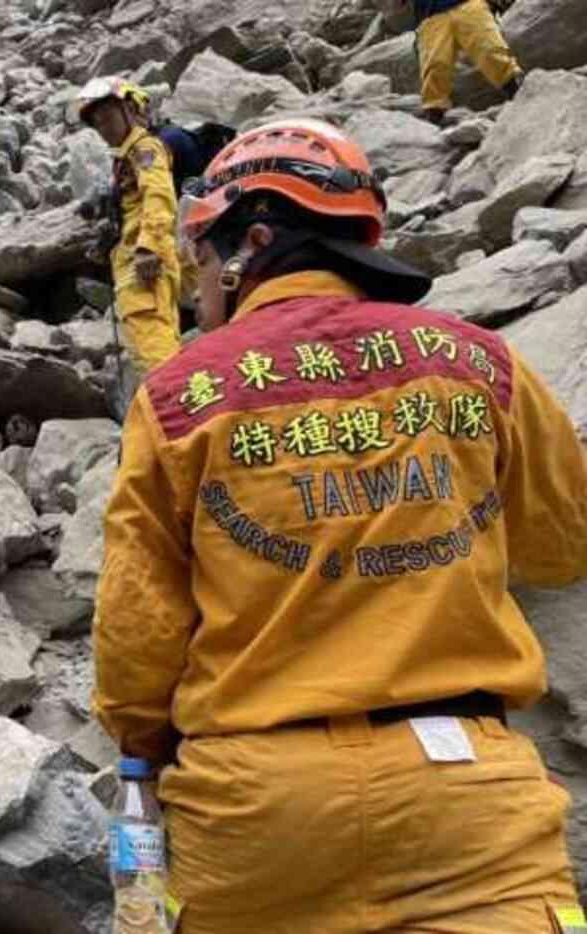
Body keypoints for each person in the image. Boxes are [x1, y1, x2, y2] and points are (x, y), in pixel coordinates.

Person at [93, 118, 587, 933]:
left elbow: (138, 632)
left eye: (206, 260)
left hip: (255, 804)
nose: (198, 287)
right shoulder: (476, 360)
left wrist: (139, 745)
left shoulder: (181, 397)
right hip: (466, 800)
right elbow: (559, 544)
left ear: (253, 240)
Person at [72, 77, 182, 378]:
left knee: (156, 353)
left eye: (107, 118)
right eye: (97, 123)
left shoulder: (145, 149)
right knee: (152, 344)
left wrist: (148, 247)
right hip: (133, 260)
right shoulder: (125, 159)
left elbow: (159, 196)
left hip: (144, 262)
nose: (103, 129)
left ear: (131, 109)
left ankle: (175, 413)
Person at [402, 0, 524, 125]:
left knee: (489, 49)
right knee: (435, 64)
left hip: (469, 4)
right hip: (431, 16)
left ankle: (515, 90)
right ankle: (434, 112)